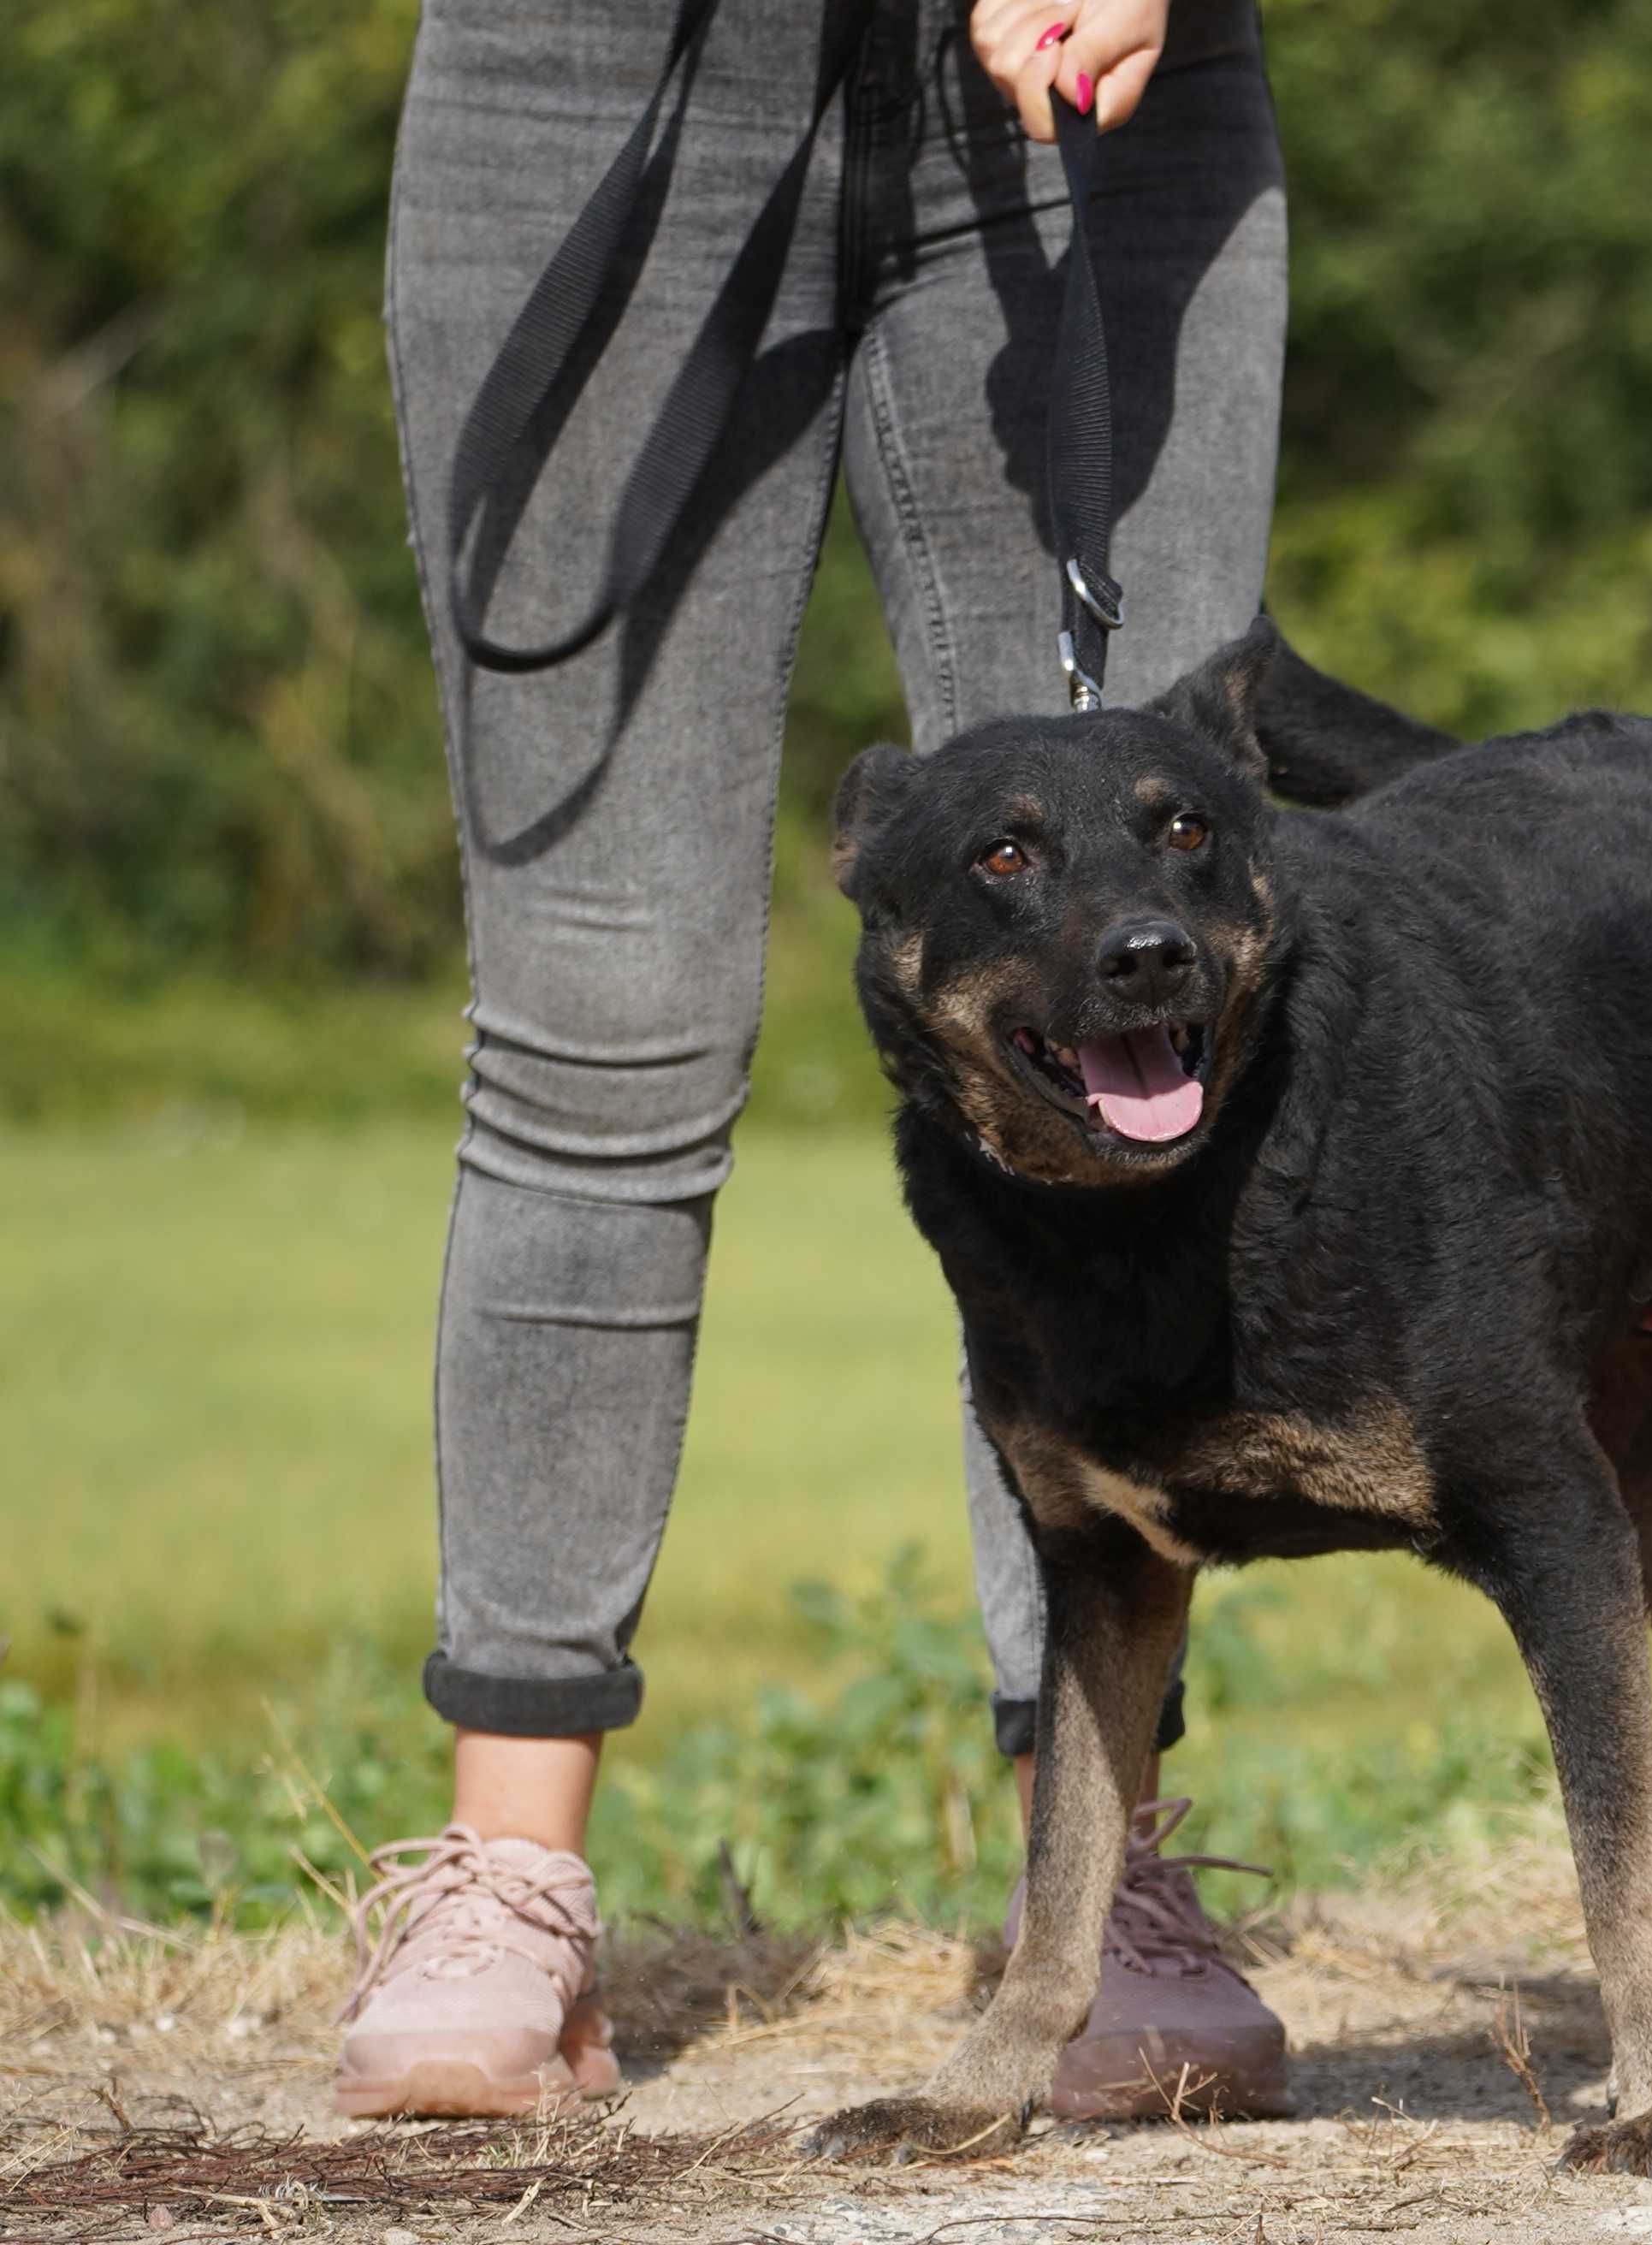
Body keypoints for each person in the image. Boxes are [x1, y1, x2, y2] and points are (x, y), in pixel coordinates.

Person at [334, 0, 1292, 2120]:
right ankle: (509, 1883)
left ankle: (1101, 1871)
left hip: (1093, 104)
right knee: (601, 1013)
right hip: (592, 77)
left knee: (1124, 1015)